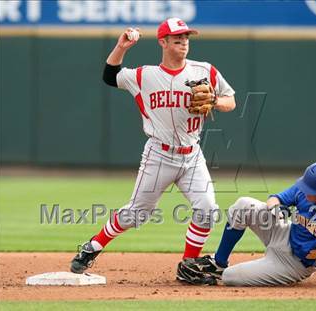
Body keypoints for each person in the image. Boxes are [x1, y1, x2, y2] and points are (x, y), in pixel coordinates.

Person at [70, 17, 236, 280]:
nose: (183, 42)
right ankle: (93, 247)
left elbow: (231, 101)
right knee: (137, 214)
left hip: (192, 155)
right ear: (163, 42)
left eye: (186, 38)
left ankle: (188, 266)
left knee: (207, 208)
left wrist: (215, 100)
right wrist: (121, 47)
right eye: (177, 38)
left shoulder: (204, 70)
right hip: (159, 155)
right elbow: (109, 76)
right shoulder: (144, 75)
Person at [178, 161, 316, 290]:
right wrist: (275, 208)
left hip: (293, 265)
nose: (304, 189)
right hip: (283, 233)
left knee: (231, 278)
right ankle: (219, 262)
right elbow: (276, 198)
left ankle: (222, 274)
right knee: (242, 205)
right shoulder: (306, 189)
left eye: (310, 189)